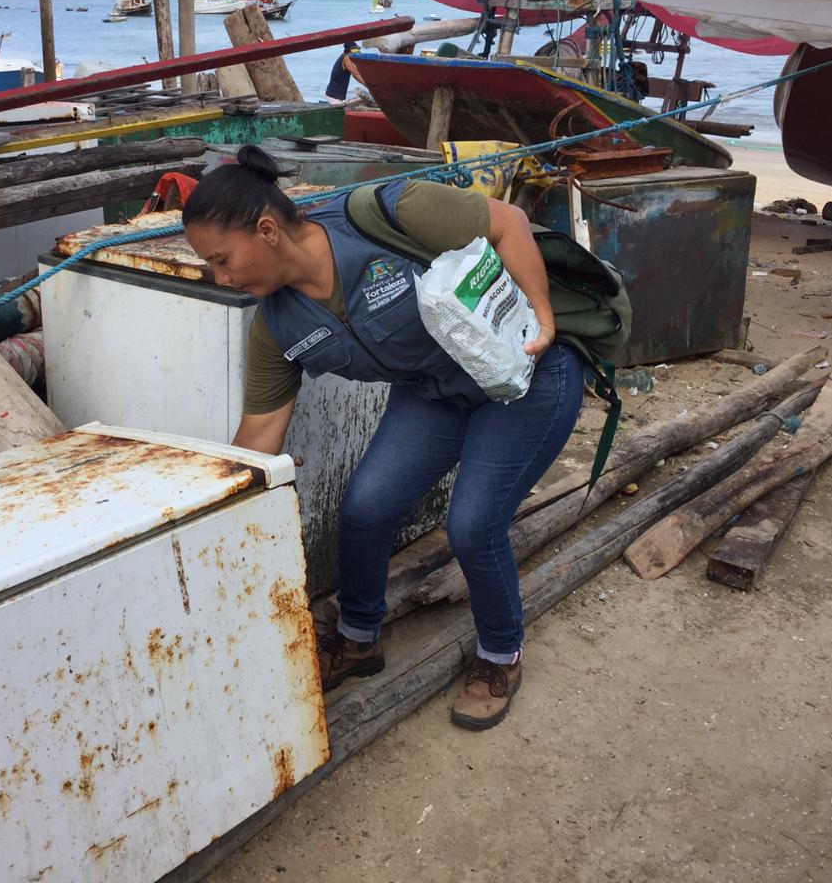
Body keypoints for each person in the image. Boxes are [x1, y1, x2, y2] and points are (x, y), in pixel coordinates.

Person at [182, 146, 583, 730]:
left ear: (266, 230)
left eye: (221, 260)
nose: (221, 278)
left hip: (528, 374)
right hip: (436, 393)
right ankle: (359, 638)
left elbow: (509, 223)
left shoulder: (386, 214)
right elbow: (258, 437)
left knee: (473, 523)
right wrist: (203, 514)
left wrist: (543, 317)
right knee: (366, 508)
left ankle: (501, 655)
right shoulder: (277, 327)